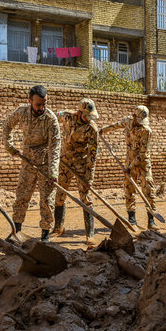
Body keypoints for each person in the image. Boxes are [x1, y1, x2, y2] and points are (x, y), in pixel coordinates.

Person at [3, 85, 61, 242]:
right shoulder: (21, 112)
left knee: (47, 201)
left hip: (45, 165)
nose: (42, 107)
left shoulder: (51, 119)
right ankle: (16, 231)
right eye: (38, 104)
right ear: (29, 101)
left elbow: (55, 148)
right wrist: (9, 147)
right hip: (27, 163)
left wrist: (53, 172)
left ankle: (45, 235)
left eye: (45, 104)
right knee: (22, 197)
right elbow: (7, 125)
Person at [100, 105, 158, 229]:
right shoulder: (128, 121)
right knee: (129, 189)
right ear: (133, 116)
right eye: (139, 120)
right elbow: (115, 125)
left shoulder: (147, 131)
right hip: (129, 161)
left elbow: (143, 153)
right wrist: (102, 130)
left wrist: (131, 166)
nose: (141, 123)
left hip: (143, 163)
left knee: (149, 189)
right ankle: (132, 220)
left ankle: (151, 220)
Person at [53, 99, 99, 246]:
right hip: (64, 161)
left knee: (85, 197)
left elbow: (93, 155)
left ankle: (89, 234)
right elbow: (55, 116)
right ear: (79, 113)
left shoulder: (92, 129)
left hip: (81, 163)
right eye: (87, 115)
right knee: (60, 194)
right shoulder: (67, 116)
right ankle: (58, 227)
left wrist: (89, 178)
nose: (89, 118)